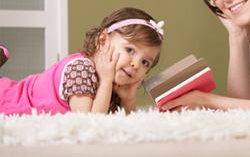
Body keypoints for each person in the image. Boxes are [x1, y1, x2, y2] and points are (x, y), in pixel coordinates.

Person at [0, 7, 164, 115]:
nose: (136, 64)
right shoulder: (80, 69)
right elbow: (90, 123)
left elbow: (129, 128)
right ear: (103, 41)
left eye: (145, 63)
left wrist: (128, 99)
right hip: (8, 99)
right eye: (130, 50)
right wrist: (106, 82)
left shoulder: (115, 85)